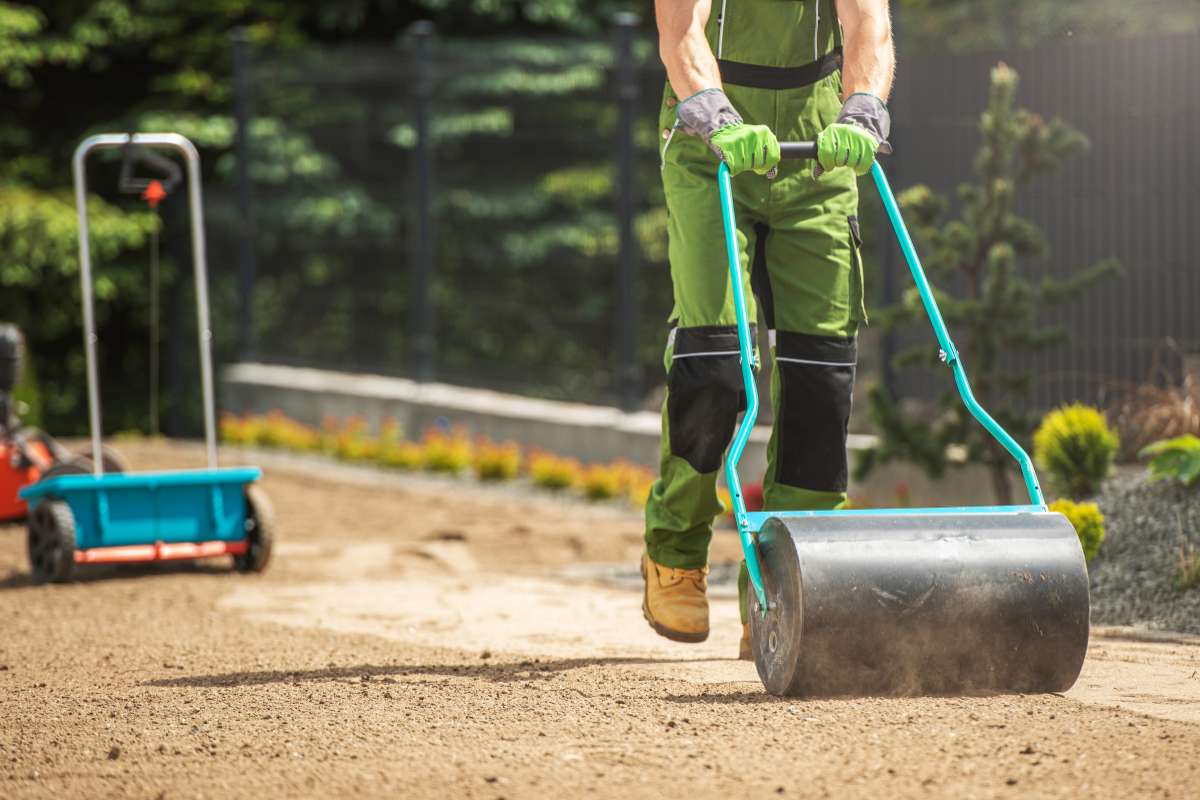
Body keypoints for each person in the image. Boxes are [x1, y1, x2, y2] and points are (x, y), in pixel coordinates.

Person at [642, 0, 895, 656]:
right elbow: (681, 31)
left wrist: (862, 107)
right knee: (719, 364)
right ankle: (674, 551)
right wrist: (715, 113)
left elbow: (868, 24)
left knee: (820, 376)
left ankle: (788, 584)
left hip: (817, 152)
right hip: (711, 145)